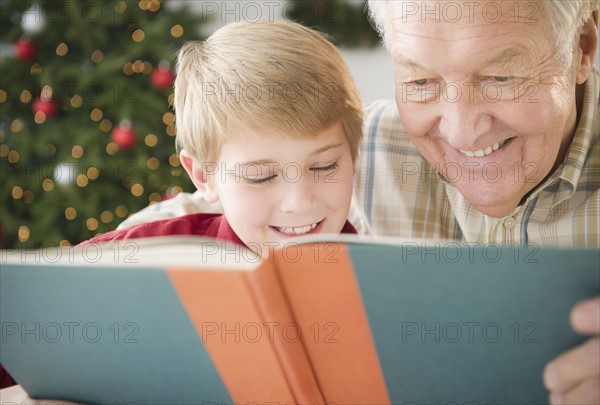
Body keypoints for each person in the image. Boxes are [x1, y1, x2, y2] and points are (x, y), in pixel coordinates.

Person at [113, 1, 600, 403]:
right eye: (420, 83)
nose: (460, 129)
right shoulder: (368, 149)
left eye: (501, 78)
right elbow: (195, 217)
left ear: (583, 46)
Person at [0, 19, 364, 392]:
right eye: (261, 177)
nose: (300, 201)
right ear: (204, 177)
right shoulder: (129, 264)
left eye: (324, 166)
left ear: (353, 158)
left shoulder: (388, 289)